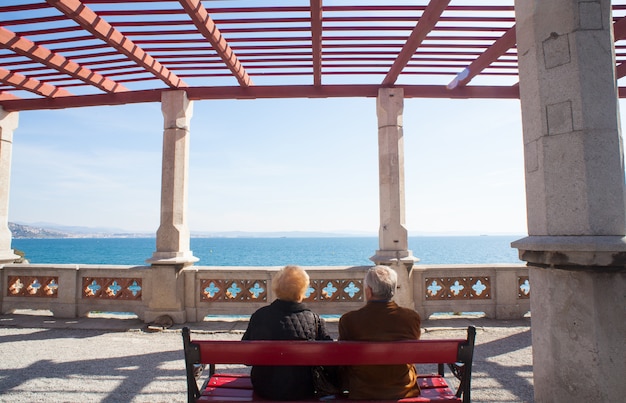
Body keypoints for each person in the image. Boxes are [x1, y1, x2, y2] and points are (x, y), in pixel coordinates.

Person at [242, 265, 332, 400]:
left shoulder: (260, 316)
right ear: (303, 291)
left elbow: (247, 358)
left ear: (276, 288)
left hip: (265, 387)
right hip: (304, 389)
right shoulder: (314, 320)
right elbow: (329, 357)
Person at [338, 265, 422, 400]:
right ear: (393, 290)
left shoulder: (349, 320)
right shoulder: (411, 318)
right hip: (403, 389)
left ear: (369, 291)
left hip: (362, 391)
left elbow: (344, 359)